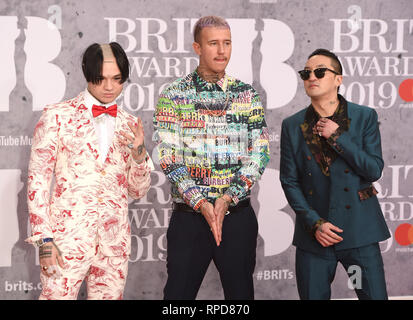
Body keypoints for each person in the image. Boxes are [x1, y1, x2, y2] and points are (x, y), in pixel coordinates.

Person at [153, 16, 270, 300]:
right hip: (190, 218)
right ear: (197, 47)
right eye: (213, 43)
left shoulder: (247, 95)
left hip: (237, 216)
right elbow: (168, 156)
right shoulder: (174, 94)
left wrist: (229, 197)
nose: (222, 51)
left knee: (241, 296)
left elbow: (260, 151)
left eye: (227, 43)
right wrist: (201, 202)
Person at [26, 42, 153, 300]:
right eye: (101, 79)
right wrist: (44, 240)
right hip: (64, 242)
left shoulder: (130, 124)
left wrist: (139, 154)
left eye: (117, 79)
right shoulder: (57, 116)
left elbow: (137, 191)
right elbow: (37, 181)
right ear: (87, 74)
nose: (109, 87)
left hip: (113, 245)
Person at [280, 48, 390, 300]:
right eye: (306, 73)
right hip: (315, 238)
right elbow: (289, 180)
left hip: (358, 234)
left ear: (338, 79)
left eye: (319, 71)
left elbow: (373, 169)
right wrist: (314, 223)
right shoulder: (292, 125)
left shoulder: (364, 117)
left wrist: (337, 136)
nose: (311, 77)